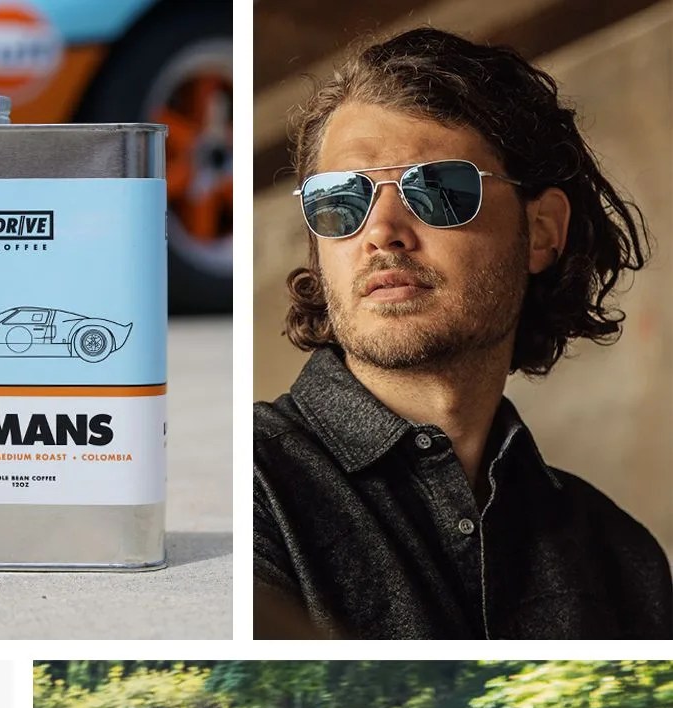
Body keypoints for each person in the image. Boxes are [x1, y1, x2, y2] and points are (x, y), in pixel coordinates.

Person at [254, 28, 672, 639]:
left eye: (440, 190)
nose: (381, 231)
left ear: (542, 232)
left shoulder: (623, 561)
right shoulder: (249, 490)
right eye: (341, 199)